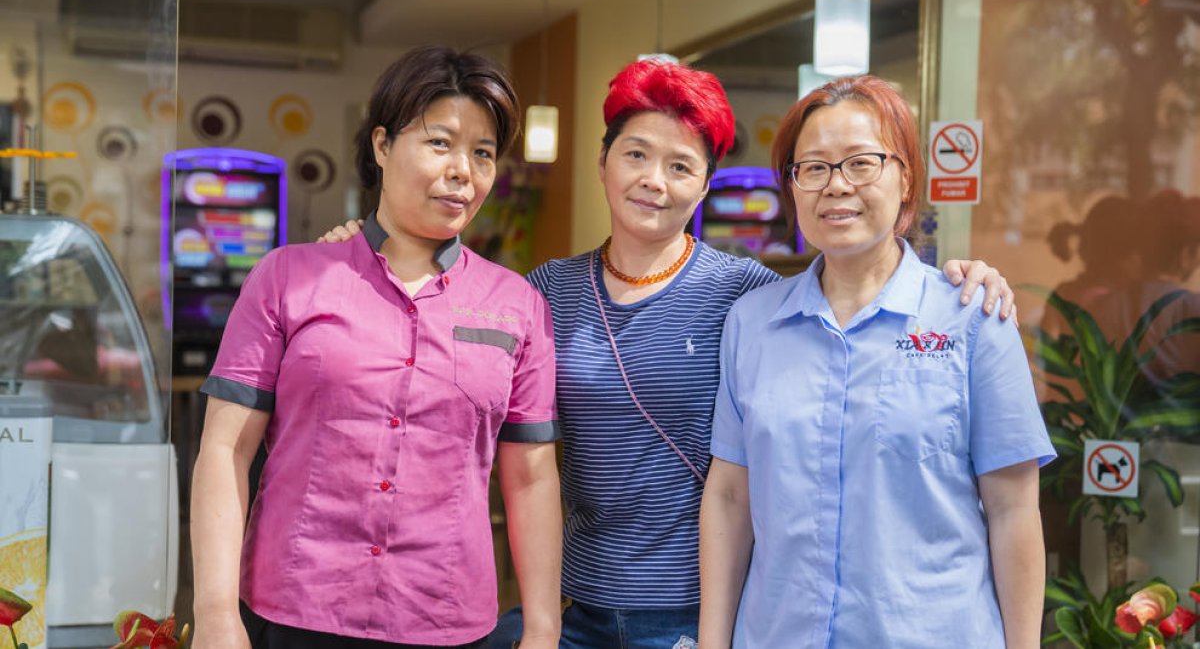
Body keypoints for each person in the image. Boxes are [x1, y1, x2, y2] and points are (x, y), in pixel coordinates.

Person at [322, 59, 1016, 648]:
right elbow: (441, 354)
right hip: (577, 607)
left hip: (700, 609)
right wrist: (365, 251)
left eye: (680, 164)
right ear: (602, 163)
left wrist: (955, 280)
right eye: (635, 155)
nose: (654, 180)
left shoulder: (749, 297)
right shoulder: (544, 292)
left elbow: (844, 305)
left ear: (706, 184)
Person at [190, 46, 563, 649]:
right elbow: (226, 449)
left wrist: (544, 627)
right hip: (296, 609)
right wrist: (214, 614)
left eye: (483, 153)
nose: (463, 169)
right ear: (382, 145)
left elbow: (531, 479)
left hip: (444, 615)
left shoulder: (516, 304)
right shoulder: (289, 277)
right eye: (440, 142)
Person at [698, 75, 1055, 648]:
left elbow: (1013, 509)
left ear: (906, 176)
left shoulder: (972, 317)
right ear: (791, 187)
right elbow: (731, 496)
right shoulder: (751, 324)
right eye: (812, 168)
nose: (836, 185)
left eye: (861, 163)